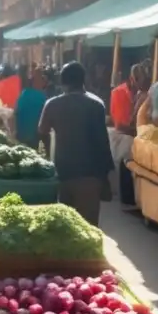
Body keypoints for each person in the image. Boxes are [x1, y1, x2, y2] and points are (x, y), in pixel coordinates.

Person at [38, 62, 115, 226]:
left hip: (63, 172)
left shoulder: (52, 104)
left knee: (67, 228)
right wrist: (106, 178)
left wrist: (47, 158)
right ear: (84, 80)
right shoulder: (97, 104)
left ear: (62, 82)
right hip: (91, 175)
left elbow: (42, 131)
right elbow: (103, 142)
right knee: (89, 228)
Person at [15, 68, 48, 149]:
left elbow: (16, 112)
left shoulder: (24, 93)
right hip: (33, 137)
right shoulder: (43, 97)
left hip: (20, 136)